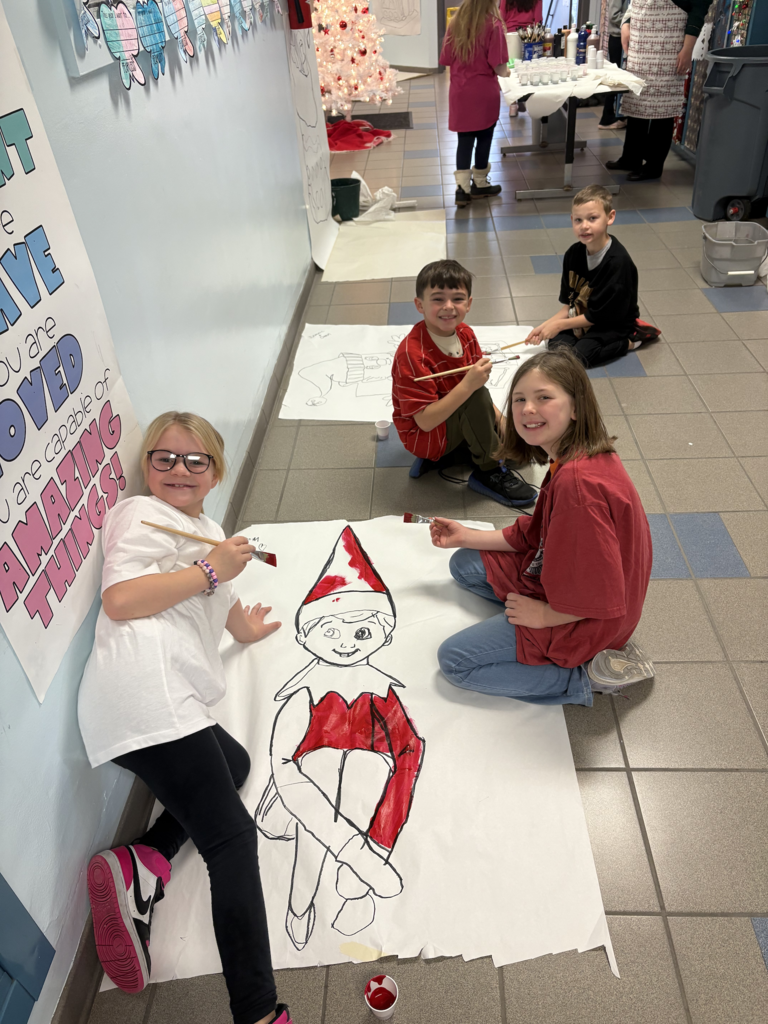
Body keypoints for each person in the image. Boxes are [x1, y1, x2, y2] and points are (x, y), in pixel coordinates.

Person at [77, 412, 290, 1024]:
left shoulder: (204, 529)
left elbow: (212, 594)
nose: (177, 469)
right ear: (145, 468)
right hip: (147, 691)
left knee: (237, 763)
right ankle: (257, 1012)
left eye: (194, 460)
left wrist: (243, 623)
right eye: (162, 458)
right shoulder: (140, 516)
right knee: (232, 839)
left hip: (160, 695)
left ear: (215, 472)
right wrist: (210, 569)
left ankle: (144, 860)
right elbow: (121, 600)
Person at [432, 347, 654, 706]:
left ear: (577, 407)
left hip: (593, 618)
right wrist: (465, 534)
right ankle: (539, 620)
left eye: (543, 398)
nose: (527, 409)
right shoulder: (575, 457)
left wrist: (545, 614)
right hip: (572, 586)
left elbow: (602, 592)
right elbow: (536, 535)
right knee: (463, 563)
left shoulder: (577, 487)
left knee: (455, 662)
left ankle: (584, 677)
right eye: (519, 399)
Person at [392, 259, 537, 508]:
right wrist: (469, 385)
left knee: (517, 453)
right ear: (420, 305)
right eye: (437, 299)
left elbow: (477, 390)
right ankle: (487, 471)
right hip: (425, 434)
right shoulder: (411, 354)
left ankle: (460, 452)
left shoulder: (466, 334)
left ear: (468, 304)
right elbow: (425, 420)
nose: (448, 307)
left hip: (454, 418)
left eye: (457, 299)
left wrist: (502, 424)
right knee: (475, 393)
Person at [524, 184, 659, 368]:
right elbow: (569, 305)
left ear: (610, 217)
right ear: (572, 220)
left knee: (579, 357)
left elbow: (599, 317)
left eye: (592, 218)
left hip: (611, 323)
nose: (584, 226)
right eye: (578, 220)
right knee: (556, 346)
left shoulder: (618, 263)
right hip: (582, 317)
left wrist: (560, 326)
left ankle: (629, 342)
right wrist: (546, 325)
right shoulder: (573, 254)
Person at [606, 0, 709, 180]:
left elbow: (699, 8)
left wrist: (687, 48)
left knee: (663, 107)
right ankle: (631, 158)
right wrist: (626, 23)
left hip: (667, 46)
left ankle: (654, 165)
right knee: (636, 100)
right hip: (639, 45)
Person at [440, 0, 511, 206]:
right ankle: (480, 184)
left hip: (461, 92)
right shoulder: (493, 24)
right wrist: (507, 72)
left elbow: (446, 58)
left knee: (464, 140)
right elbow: (498, 66)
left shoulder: (456, 22)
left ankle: (462, 190)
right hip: (483, 92)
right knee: (485, 137)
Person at [499, 0, 542, 117]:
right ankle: (524, 98)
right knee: (527, 69)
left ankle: (513, 105)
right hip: (528, 36)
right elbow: (538, 19)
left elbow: (501, 16)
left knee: (512, 70)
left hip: (510, 34)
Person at [598, 0, 629, 130]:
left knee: (618, 79)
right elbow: (614, 15)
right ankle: (607, 117)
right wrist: (633, 20)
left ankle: (616, 115)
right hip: (617, 38)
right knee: (616, 79)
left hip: (619, 37)